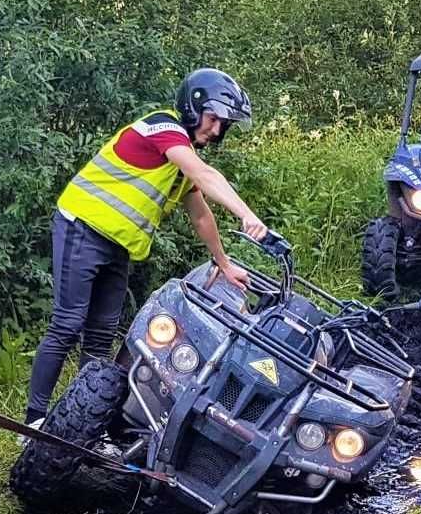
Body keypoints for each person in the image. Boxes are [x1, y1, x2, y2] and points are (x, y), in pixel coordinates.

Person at [23, 69, 269, 429]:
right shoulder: (162, 128)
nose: (216, 131)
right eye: (213, 119)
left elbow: (201, 217)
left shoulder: (181, 165)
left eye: (223, 124)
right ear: (193, 107)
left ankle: (79, 422)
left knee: (102, 334)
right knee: (68, 324)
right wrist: (247, 215)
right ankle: (34, 423)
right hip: (83, 227)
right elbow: (206, 175)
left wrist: (224, 264)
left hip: (117, 247)